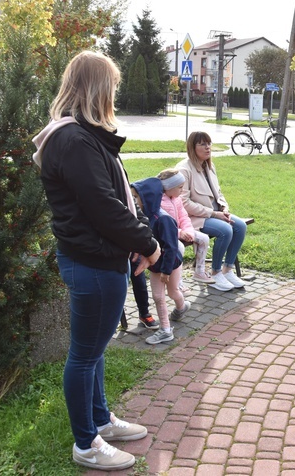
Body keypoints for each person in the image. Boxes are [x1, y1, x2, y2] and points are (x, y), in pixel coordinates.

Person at [32, 50, 159, 471]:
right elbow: (103, 207)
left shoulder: (82, 135)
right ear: (97, 88)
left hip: (97, 258)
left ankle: (101, 420)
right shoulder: (74, 139)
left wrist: (138, 240)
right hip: (93, 262)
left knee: (95, 349)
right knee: (84, 355)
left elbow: (119, 196)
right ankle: (86, 444)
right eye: (113, 87)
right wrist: (149, 243)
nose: (115, 95)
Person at [176, 131, 247, 292]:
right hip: (194, 218)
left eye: (209, 143)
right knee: (225, 230)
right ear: (192, 148)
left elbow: (218, 192)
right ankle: (215, 272)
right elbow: (183, 202)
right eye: (202, 144)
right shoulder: (184, 169)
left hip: (215, 213)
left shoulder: (209, 166)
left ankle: (227, 270)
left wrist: (224, 208)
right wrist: (214, 213)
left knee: (240, 226)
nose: (207, 147)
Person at [131, 178, 191, 344]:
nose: (134, 201)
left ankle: (182, 306)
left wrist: (166, 271)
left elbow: (172, 248)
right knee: (158, 296)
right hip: (155, 264)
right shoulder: (144, 217)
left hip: (170, 264)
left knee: (173, 293)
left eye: (136, 197)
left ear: (148, 197)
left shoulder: (163, 219)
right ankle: (165, 330)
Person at [157, 168, 214, 284]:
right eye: (179, 187)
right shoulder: (159, 202)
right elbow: (163, 225)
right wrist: (179, 233)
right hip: (166, 236)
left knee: (204, 239)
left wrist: (188, 231)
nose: (182, 190)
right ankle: (178, 282)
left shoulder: (177, 199)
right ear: (169, 187)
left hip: (181, 231)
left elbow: (184, 217)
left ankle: (199, 271)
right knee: (179, 248)